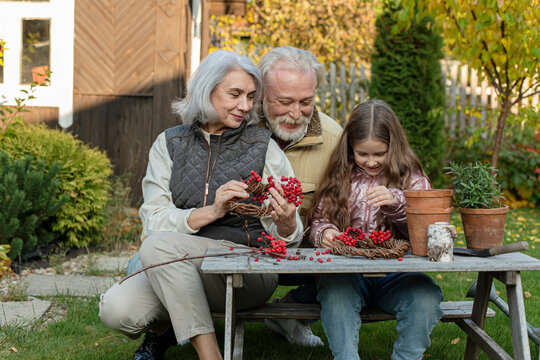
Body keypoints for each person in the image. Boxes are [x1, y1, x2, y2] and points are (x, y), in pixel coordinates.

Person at [98, 50, 303, 360]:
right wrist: (213, 211)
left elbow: (289, 236)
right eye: (235, 94)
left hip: (246, 270)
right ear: (207, 90)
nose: (245, 105)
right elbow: (152, 220)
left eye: (250, 96)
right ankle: (186, 319)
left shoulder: (263, 146)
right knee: (117, 310)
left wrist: (287, 222)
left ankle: (210, 356)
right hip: (177, 267)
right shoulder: (169, 144)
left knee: (156, 249)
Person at [306, 99, 444, 360]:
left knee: (426, 297)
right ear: (350, 148)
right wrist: (323, 233)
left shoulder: (411, 177)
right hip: (347, 272)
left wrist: (398, 203)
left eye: (379, 153)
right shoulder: (340, 176)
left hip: (397, 274)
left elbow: (427, 229)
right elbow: (318, 221)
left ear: (394, 147)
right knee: (335, 294)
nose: (370, 162)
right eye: (362, 154)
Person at [256, 46, 342, 346]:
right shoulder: (238, 130)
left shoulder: (333, 139)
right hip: (241, 252)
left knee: (346, 271)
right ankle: (174, 330)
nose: (296, 113)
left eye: (306, 102)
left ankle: (293, 314)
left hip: (305, 259)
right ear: (262, 95)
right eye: (284, 102)